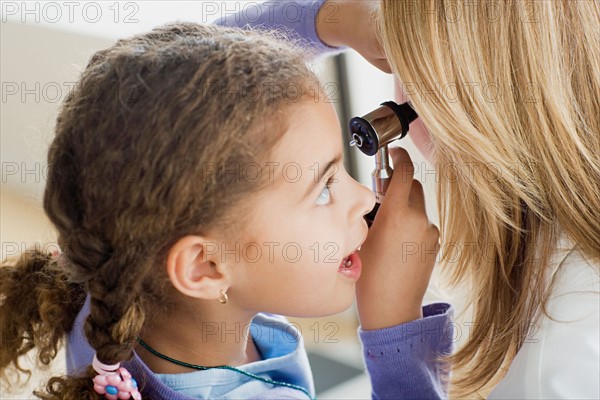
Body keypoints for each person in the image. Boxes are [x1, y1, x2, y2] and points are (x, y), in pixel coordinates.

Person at [1, 22, 450, 399]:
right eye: (323, 189)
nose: (367, 200)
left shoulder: (107, 303)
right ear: (205, 266)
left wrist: (336, 17)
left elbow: (182, 82)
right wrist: (395, 329)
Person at [217, 0, 600, 398]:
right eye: (324, 187)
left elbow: (171, 78)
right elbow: (173, 78)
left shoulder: (566, 357)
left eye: (405, 62)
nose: (366, 198)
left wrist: (395, 333)